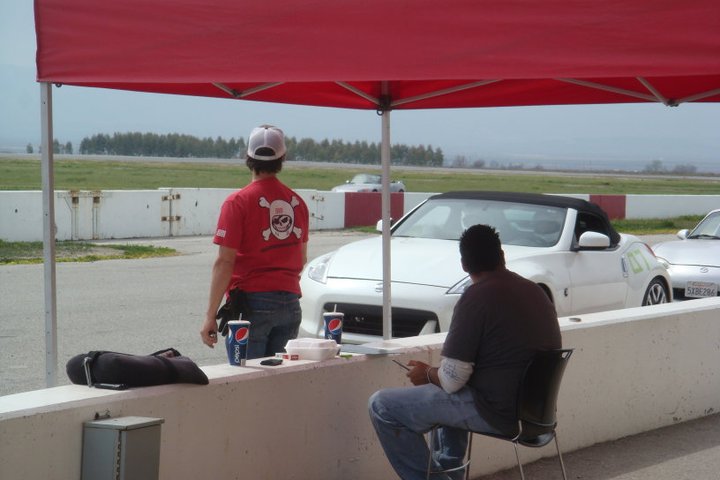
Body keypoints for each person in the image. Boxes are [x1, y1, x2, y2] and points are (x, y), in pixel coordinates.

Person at [368, 224, 561, 479]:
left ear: (464, 265)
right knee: (451, 391)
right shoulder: (534, 291)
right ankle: (450, 472)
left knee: (382, 405)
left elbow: (451, 379)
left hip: (497, 412)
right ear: (502, 256)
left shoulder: (477, 297)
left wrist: (427, 374)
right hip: (537, 416)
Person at [200, 125, 309, 359]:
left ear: (247, 157)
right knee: (279, 382)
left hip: (252, 304)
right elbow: (301, 259)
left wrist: (210, 315)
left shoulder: (237, 202)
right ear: (283, 158)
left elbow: (224, 262)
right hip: (291, 302)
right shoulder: (297, 202)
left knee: (247, 384)